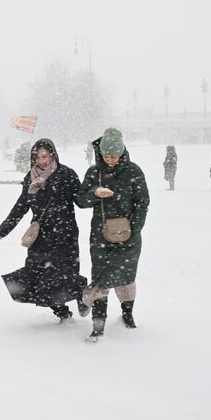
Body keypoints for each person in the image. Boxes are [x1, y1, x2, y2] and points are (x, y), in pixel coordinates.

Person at [0, 139, 87, 322]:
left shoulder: (66, 174)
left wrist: (96, 192)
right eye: (37, 157)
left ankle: (83, 294)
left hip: (64, 233)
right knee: (38, 276)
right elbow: (21, 205)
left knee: (63, 275)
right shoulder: (30, 178)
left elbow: (81, 201)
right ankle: (62, 313)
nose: (42, 161)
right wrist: (3, 230)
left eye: (45, 156)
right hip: (40, 236)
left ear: (53, 154)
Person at [76, 128, 150, 343]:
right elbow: (80, 201)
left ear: (122, 153)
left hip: (129, 236)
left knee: (126, 278)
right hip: (101, 236)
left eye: (114, 156)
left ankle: (127, 314)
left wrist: (133, 230)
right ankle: (98, 327)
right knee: (101, 279)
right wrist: (94, 193)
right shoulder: (94, 173)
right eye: (106, 156)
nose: (110, 160)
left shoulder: (134, 171)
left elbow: (143, 203)